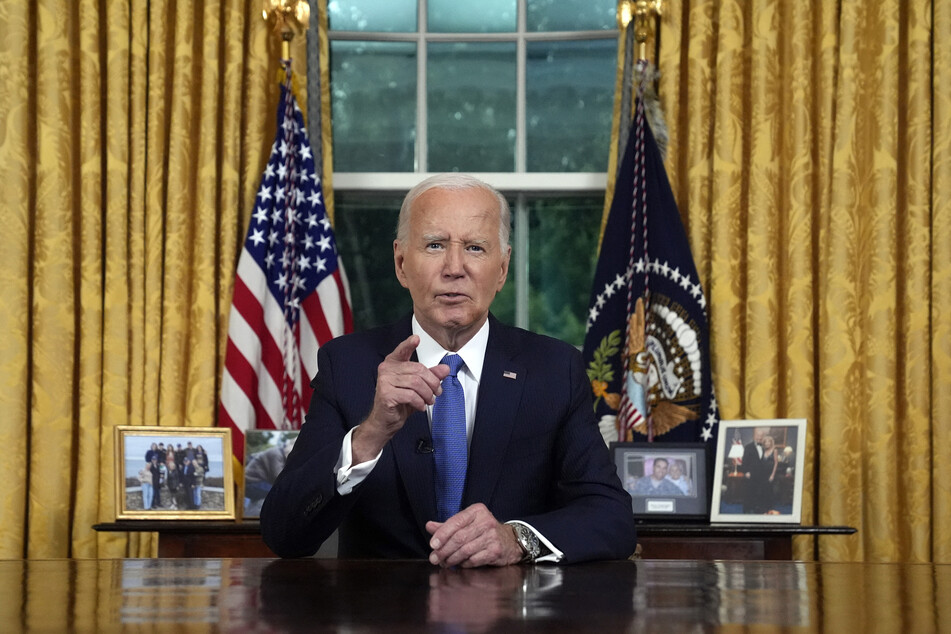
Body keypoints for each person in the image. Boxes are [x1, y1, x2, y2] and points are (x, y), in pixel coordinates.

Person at [261, 174, 637, 567]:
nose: (454, 268)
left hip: (507, 616)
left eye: (475, 248)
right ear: (401, 264)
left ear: (503, 267)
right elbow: (283, 534)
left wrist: (516, 539)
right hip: (381, 615)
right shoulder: (348, 365)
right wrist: (370, 435)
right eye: (435, 245)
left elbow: (611, 518)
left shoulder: (555, 369)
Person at [244, 435, 297, 517]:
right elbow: (279, 477)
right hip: (251, 483)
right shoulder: (275, 454)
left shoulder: (281, 453)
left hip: (259, 483)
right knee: (278, 494)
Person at [740, 427, 771, 513]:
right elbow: (744, 462)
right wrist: (746, 472)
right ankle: (746, 510)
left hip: (762, 476)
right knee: (749, 493)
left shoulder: (765, 447)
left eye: (761, 436)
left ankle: (758, 509)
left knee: (760, 493)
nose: (759, 438)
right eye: (758, 435)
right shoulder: (748, 447)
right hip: (751, 475)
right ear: (754, 436)